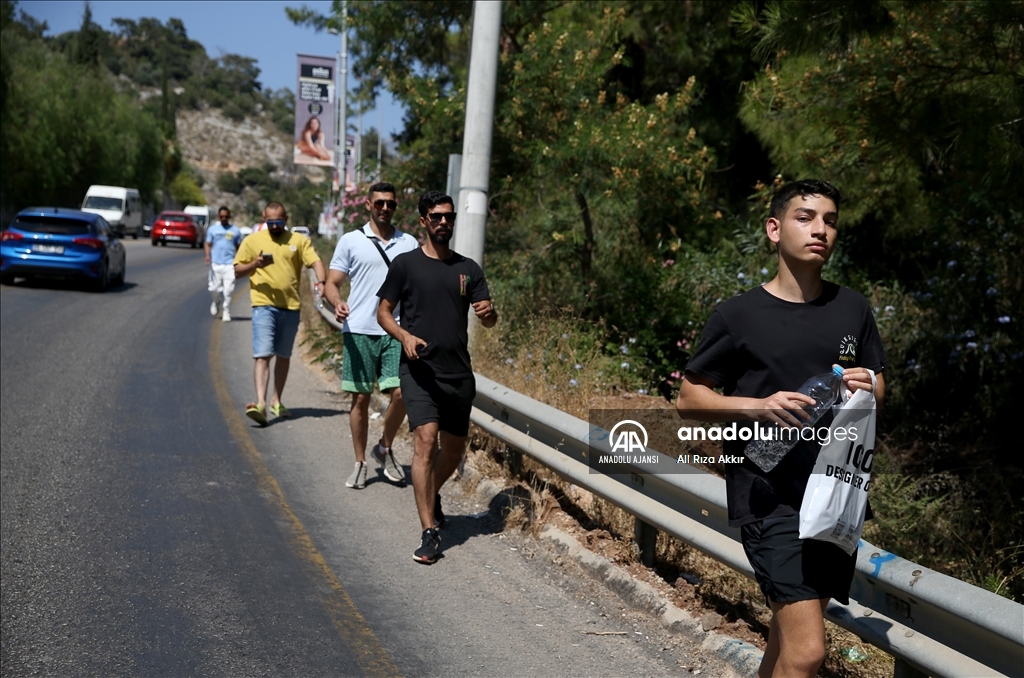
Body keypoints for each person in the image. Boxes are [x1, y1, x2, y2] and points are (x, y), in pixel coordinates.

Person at [675, 179, 887, 678]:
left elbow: (879, 388)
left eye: (830, 221)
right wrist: (758, 406)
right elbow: (688, 399)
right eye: (805, 218)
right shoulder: (738, 315)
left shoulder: (852, 308)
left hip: (834, 494)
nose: (820, 230)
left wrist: (868, 383)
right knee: (808, 650)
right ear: (774, 229)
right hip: (768, 496)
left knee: (787, 637)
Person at [377, 190, 498, 564]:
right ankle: (429, 531)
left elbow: (488, 319)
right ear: (423, 221)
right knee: (425, 442)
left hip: (458, 374)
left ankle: (431, 494)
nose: (444, 222)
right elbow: (383, 312)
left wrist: (489, 314)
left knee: (453, 452)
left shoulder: (468, 269)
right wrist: (404, 336)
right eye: (437, 216)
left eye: (449, 216)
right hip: (420, 372)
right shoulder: (406, 265)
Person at [323, 182, 419, 489]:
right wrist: (337, 303)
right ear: (368, 205)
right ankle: (360, 462)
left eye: (390, 203)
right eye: (379, 203)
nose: (385, 208)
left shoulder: (408, 243)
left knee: (401, 394)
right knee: (361, 398)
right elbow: (332, 283)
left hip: (396, 329)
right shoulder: (351, 240)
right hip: (359, 329)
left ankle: (384, 447)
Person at [234, 201, 327, 426]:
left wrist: (322, 282)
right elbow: (237, 271)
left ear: (286, 219)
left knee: (284, 356)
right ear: (263, 219)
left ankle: (276, 400)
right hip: (263, 305)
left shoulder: (298, 241)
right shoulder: (252, 241)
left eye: (278, 221)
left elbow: (316, 262)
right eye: (270, 222)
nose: (274, 226)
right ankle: (260, 404)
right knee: (263, 355)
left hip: (291, 307)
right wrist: (255, 264)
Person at [205, 206, 242, 322]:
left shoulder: (235, 231)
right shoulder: (212, 230)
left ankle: (226, 310)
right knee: (213, 288)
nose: (224, 218)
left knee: (229, 290)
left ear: (229, 217)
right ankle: (217, 301)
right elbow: (208, 244)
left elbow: (239, 247)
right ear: (218, 217)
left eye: (226, 216)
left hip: (229, 264)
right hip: (215, 263)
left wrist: (240, 260)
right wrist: (207, 256)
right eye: (221, 216)